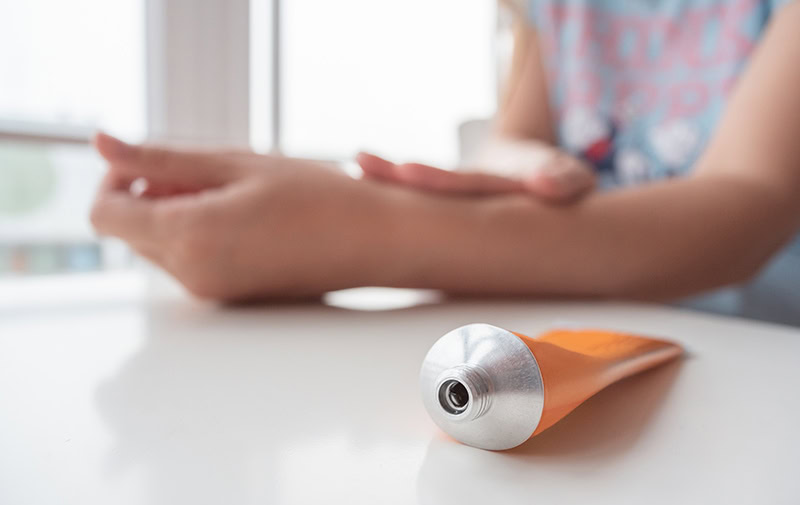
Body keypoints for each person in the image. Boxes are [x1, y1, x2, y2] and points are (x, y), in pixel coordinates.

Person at [90, 0, 800, 325]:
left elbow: (748, 206)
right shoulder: (560, 11)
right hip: (605, 327)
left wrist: (363, 229)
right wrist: (526, 168)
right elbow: (511, 136)